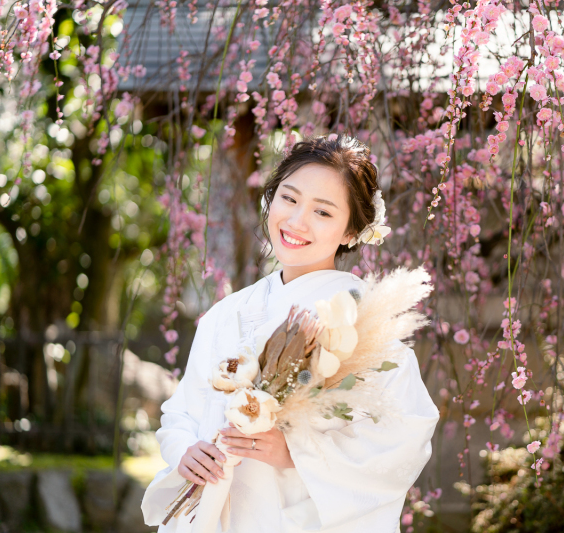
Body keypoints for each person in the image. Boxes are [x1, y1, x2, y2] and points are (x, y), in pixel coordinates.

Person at [142, 135, 440, 533]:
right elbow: (181, 411)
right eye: (289, 198)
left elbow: (405, 433)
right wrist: (184, 450)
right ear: (271, 198)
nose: (297, 221)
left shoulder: (363, 319)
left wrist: (296, 453)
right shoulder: (227, 312)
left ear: (351, 232)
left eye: (323, 212)